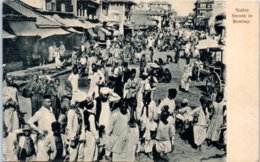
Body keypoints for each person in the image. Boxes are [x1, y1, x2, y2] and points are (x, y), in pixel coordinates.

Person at [136, 91, 158, 159]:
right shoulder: (140, 103)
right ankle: (137, 152)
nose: (145, 99)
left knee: (148, 138)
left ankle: (148, 151)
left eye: (147, 97)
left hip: (149, 123)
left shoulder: (153, 103)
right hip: (142, 122)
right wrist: (140, 121)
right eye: (144, 97)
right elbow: (138, 113)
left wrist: (153, 119)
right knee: (139, 138)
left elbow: (155, 115)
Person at [66, 92, 86, 161]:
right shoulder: (71, 112)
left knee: (80, 156)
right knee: (73, 157)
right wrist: (72, 138)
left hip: (80, 136)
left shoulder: (80, 111)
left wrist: (83, 136)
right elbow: (69, 126)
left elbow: (82, 124)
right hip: (74, 137)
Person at [83, 97, 99, 161]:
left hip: (87, 132)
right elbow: (93, 128)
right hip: (91, 134)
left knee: (87, 150)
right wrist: (97, 137)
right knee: (91, 151)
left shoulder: (84, 112)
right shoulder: (91, 115)